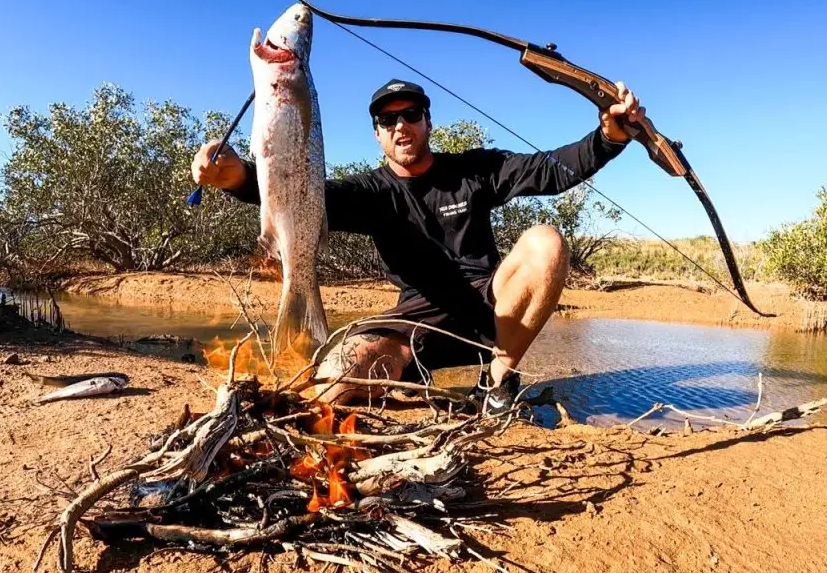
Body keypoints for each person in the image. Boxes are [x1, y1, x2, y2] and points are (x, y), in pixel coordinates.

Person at [192, 78, 645, 413]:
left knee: (546, 242)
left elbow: (551, 171)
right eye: (388, 120)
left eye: (411, 115)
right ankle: (406, 378)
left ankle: (499, 382)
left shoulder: (475, 169)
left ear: (428, 122)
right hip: (414, 323)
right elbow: (300, 198)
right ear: (377, 134)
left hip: (492, 312)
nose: (401, 126)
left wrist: (610, 136)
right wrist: (236, 178)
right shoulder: (372, 192)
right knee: (331, 384)